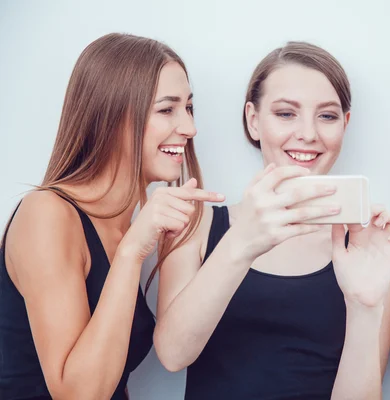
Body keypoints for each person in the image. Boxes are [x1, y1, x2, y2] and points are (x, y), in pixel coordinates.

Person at [152, 41, 390, 399]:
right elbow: (172, 355)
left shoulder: (373, 250)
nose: (308, 133)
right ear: (253, 120)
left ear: (345, 125)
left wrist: (364, 306)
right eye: (286, 113)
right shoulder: (196, 225)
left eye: (327, 116)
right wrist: (241, 243)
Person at [0, 33, 223, 399]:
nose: (189, 128)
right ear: (111, 116)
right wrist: (133, 250)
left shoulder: (128, 227)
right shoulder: (48, 214)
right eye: (167, 109)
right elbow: (79, 394)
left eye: (189, 108)